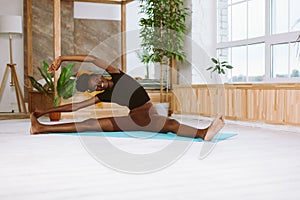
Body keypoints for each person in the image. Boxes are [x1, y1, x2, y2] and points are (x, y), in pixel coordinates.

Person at [30, 55, 225, 141]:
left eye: (95, 80)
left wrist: (63, 58)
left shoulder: (115, 73)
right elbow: (76, 107)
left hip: (141, 116)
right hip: (140, 117)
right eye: (94, 87)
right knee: (89, 123)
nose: (98, 84)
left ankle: (202, 132)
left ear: (98, 75)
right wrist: (45, 111)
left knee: (169, 124)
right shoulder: (103, 95)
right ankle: (202, 133)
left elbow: (91, 59)